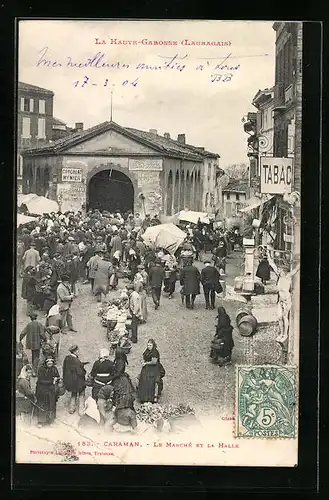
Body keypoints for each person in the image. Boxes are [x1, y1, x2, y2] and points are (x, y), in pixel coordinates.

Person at [137, 339, 165, 404]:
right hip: (147, 367)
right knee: (143, 379)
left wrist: (146, 363)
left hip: (154, 368)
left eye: (150, 345)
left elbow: (154, 362)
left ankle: (152, 397)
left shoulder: (155, 352)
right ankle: (143, 397)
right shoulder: (147, 350)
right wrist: (142, 361)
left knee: (151, 380)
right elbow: (144, 357)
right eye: (148, 345)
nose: (149, 346)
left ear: (153, 345)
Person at [35, 357, 60, 427]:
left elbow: (57, 376)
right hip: (42, 389)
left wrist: (57, 379)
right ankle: (40, 422)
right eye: (48, 362)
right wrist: (52, 381)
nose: (50, 363)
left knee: (51, 405)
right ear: (45, 362)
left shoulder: (54, 369)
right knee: (42, 404)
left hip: (51, 390)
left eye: (51, 361)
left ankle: (50, 421)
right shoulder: (41, 369)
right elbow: (40, 380)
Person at [62, 345, 86, 415]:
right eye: (78, 351)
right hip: (78, 381)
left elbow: (65, 369)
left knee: (73, 394)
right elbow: (81, 372)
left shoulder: (67, 358)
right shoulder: (76, 361)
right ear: (75, 352)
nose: (78, 352)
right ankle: (81, 411)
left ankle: (71, 409)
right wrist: (83, 368)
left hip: (71, 381)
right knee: (81, 394)